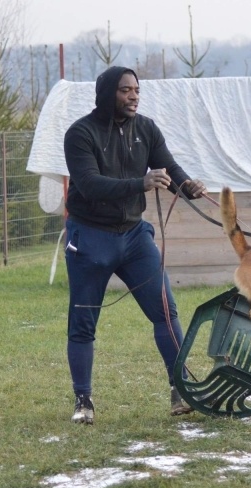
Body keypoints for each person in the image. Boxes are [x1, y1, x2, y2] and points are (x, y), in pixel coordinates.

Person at [62, 65, 206, 424]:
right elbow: (91, 184)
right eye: (126, 90)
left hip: (134, 237)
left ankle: (180, 387)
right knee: (83, 323)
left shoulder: (146, 129)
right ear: (108, 92)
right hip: (90, 238)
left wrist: (187, 186)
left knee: (165, 311)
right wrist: (140, 183)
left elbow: (168, 167)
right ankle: (83, 400)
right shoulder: (80, 134)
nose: (134, 96)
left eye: (137, 90)